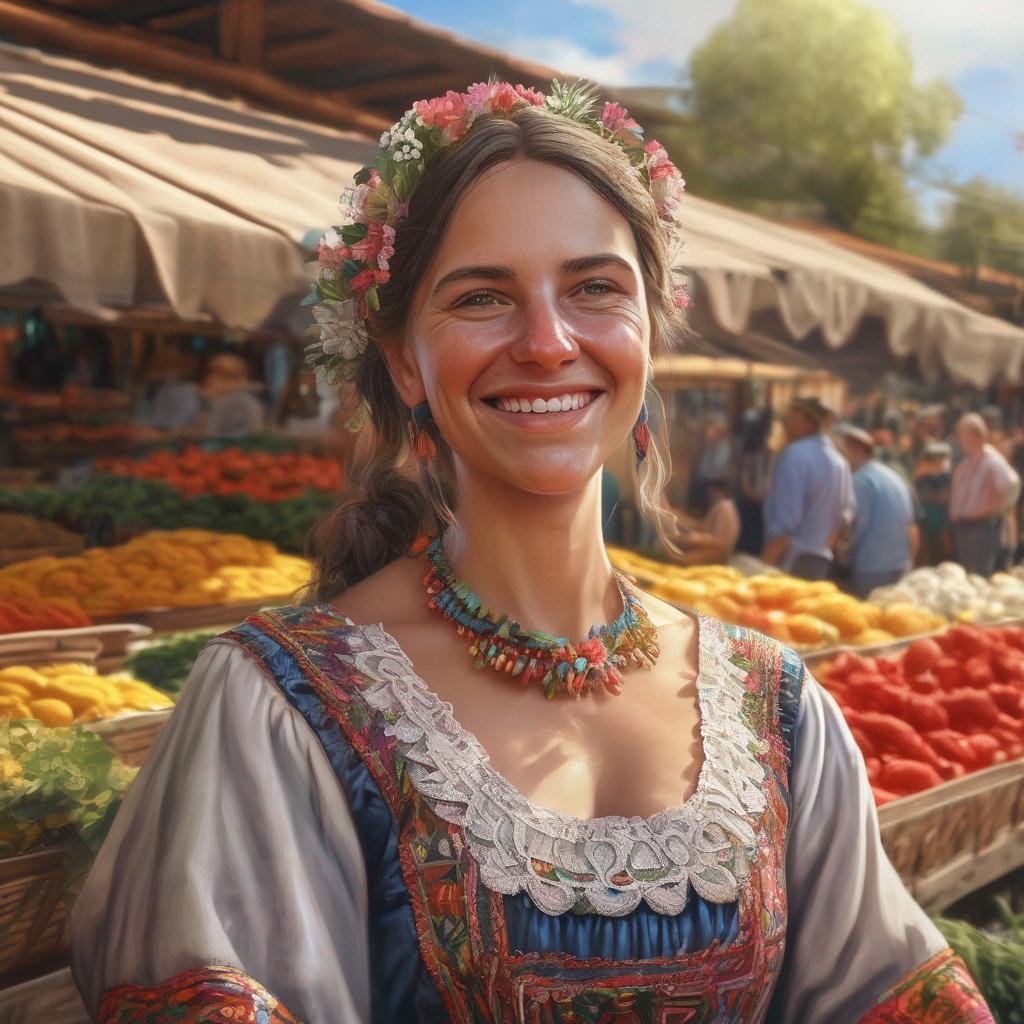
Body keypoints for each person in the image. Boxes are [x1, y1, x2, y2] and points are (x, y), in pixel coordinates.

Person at [70, 82, 992, 1023]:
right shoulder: (279, 714)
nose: (548, 343)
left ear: (651, 326)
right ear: (401, 361)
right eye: (481, 297)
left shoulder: (779, 710)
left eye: (595, 287)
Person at [762, 396, 855, 580]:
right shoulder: (840, 463)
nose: (786, 423)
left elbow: (785, 525)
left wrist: (762, 570)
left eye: (791, 415)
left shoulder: (794, 456)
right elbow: (844, 517)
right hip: (820, 561)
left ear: (806, 420)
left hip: (788, 563)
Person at [835, 425, 918, 598]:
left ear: (857, 451)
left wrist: (841, 554)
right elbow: (911, 524)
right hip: (898, 564)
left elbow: (856, 526)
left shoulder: (861, 481)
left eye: (842, 452)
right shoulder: (892, 476)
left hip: (871, 567)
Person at [950, 412, 1020, 576]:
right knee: (969, 573)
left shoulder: (992, 460)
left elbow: (1009, 486)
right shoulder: (967, 461)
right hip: (965, 526)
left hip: (982, 526)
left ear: (977, 435)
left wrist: (990, 508)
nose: (961, 440)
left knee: (981, 574)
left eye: (964, 435)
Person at [672, 477, 741, 565]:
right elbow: (703, 527)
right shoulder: (720, 506)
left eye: (712, 491)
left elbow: (723, 541)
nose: (710, 494)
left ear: (720, 491)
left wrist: (693, 538)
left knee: (678, 558)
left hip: (716, 553)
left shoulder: (725, 507)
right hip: (710, 549)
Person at [202, 352, 267, 439]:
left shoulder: (244, 401)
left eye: (217, 375)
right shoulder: (217, 400)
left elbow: (253, 433)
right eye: (211, 374)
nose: (210, 380)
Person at [736, 408, 773, 555]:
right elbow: (744, 485)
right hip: (751, 506)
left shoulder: (770, 455)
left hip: (763, 506)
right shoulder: (749, 456)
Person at [914, 441, 952, 566]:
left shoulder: (948, 478)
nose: (937, 464)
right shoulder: (919, 479)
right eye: (932, 460)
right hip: (924, 529)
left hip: (944, 529)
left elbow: (948, 500)